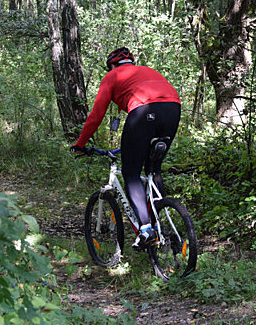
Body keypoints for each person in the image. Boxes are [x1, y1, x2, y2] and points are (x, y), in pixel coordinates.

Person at [70, 47, 181, 250]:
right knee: (153, 169)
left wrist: (81, 143)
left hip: (143, 111)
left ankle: (146, 229)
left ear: (112, 65)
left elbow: (96, 115)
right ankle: (158, 218)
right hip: (173, 109)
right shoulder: (148, 71)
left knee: (131, 173)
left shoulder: (112, 76)